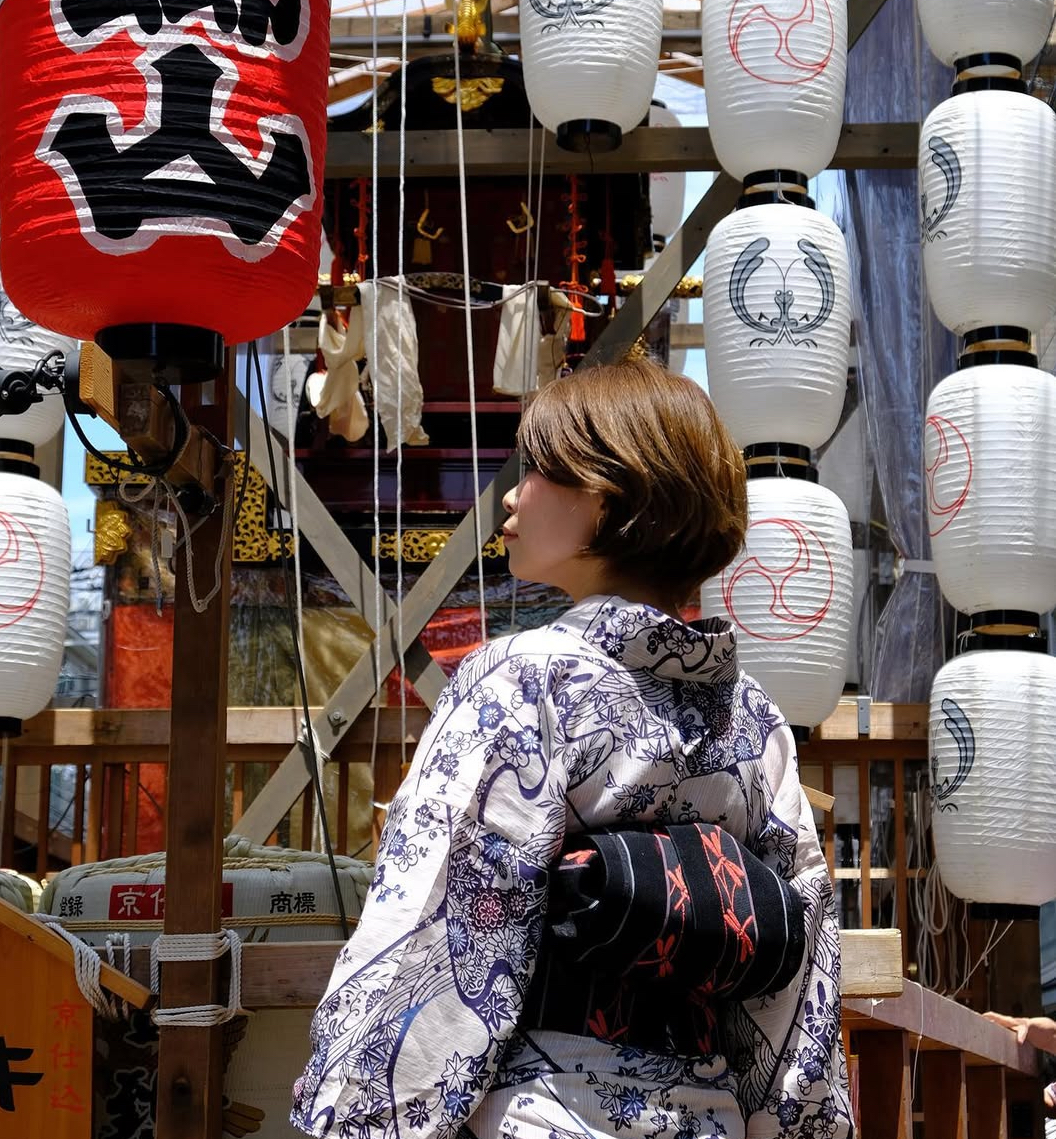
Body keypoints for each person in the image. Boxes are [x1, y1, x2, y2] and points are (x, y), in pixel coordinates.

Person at [291, 359, 855, 1139]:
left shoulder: (520, 678)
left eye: (536, 472)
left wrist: (361, 1116)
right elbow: (800, 967)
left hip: (547, 1113)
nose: (512, 499)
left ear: (604, 494)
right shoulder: (754, 720)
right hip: (708, 1114)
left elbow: (441, 926)